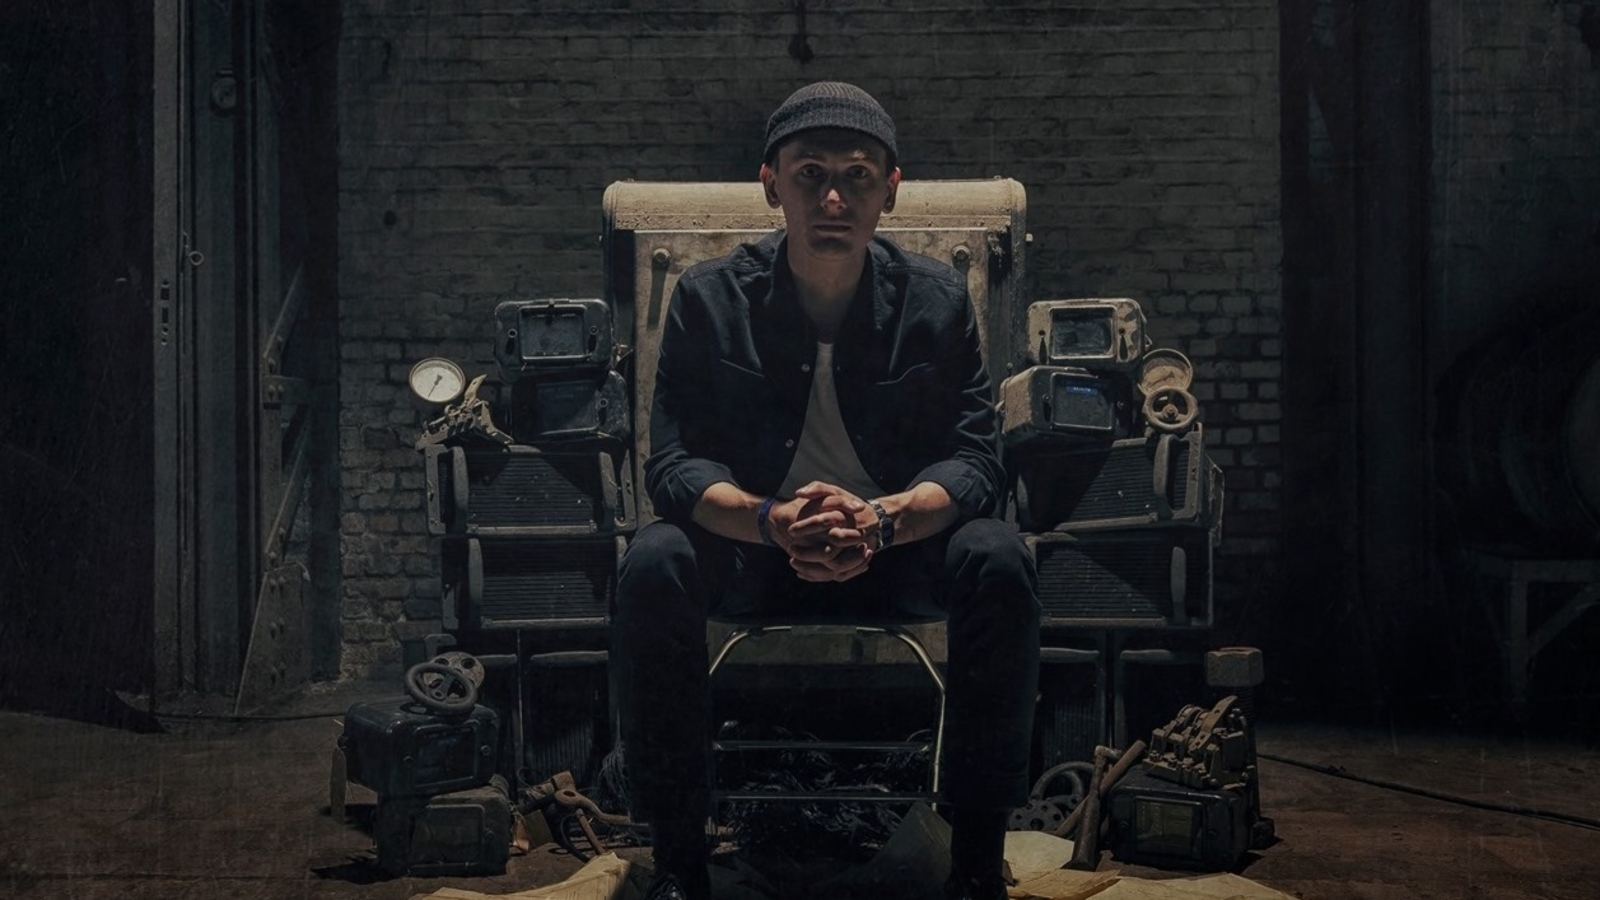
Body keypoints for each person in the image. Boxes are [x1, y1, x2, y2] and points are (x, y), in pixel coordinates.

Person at [612, 81, 1040, 900]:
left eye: (857, 176)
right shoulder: (708, 298)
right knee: (654, 560)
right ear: (772, 184)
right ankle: (678, 862)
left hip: (894, 555)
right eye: (810, 174)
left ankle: (977, 862)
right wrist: (770, 521)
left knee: (998, 555)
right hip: (758, 554)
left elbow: (976, 460)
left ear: (891, 189)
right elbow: (672, 464)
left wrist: (882, 521)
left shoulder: (937, 301)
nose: (833, 198)